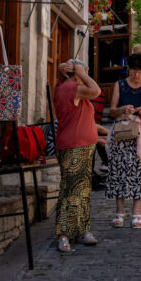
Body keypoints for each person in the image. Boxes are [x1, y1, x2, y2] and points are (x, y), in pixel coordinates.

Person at [53, 59, 101, 253]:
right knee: (71, 191)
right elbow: (96, 90)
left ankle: (81, 230)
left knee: (82, 190)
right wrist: (81, 72)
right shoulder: (72, 88)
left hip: (81, 145)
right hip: (74, 145)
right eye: (84, 71)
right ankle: (63, 234)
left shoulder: (65, 86)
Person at [106, 51, 141, 229]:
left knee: (139, 173)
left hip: (140, 135)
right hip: (121, 133)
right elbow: (111, 110)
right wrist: (122, 109)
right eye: (133, 70)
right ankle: (119, 212)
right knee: (119, 171)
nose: (135, 74)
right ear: (128, 69)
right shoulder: (119, 85)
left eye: (139, 71)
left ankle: (137, 213)